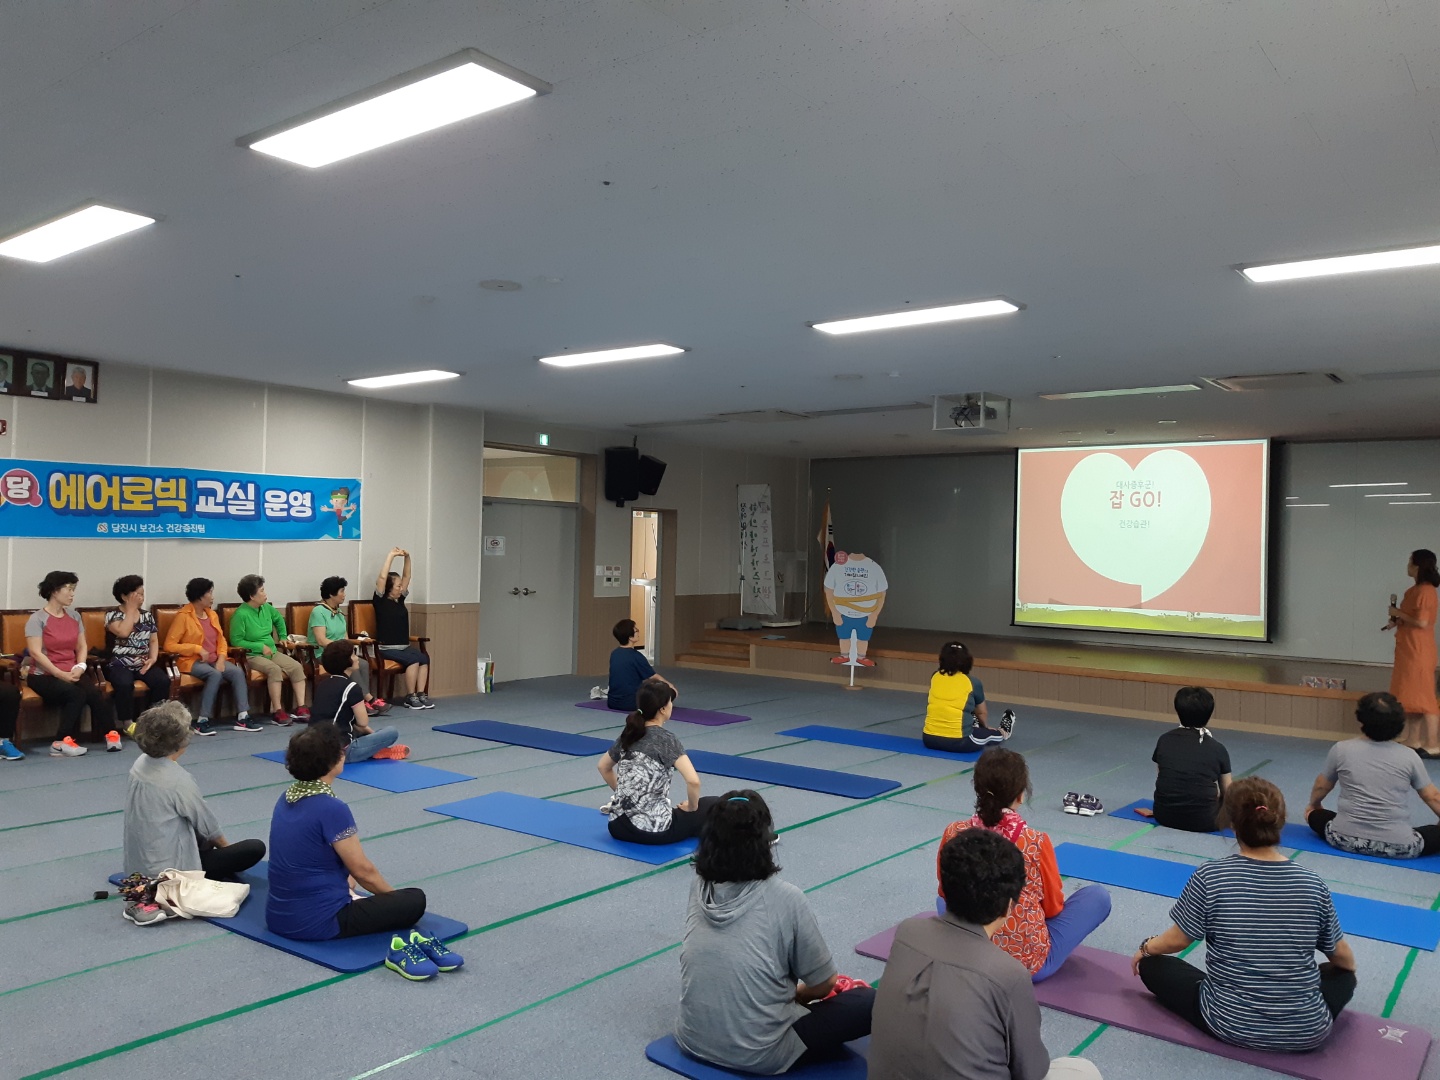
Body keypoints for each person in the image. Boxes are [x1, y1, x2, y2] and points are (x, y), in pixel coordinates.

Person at [1134, 777, 1357, 1052]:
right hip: (1308, 1030)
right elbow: (1341, 956)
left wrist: (1145, 949)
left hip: (1227, 1022)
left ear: (1230, 821)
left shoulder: (1211, 876)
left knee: (1153, 965)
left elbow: (1177, 941)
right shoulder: (1312, 882)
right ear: (1280, 820)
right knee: (1342, 975)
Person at [869, 829, 1103, 1080]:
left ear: (945, 890)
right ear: (1009, 905)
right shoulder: (1008, 973)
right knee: (1083, 1071)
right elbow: (1032, 1070)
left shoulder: (907, 932)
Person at [677, 790, 874, 1074]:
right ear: (765, 841)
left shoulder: (699, 885)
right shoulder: (786, 897)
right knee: (870, 1003)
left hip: (691, 1039)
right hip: (760, 1055)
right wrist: (798, 997)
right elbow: (824, 984)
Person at [266, 724, 461, 980]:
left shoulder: (287, 797)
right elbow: (364, 871)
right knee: (415, 900)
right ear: (334, 760)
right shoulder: (331, 807)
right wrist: (395, 902)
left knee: (349, 877)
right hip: (318, 923)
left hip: (277, 916)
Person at [939, 748, 1110, 980]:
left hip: (968, 950)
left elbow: (945, 892)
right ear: (1020, 795)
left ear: (978, 789)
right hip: (1026, 963)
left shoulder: (954, 832)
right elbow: (1053, 908)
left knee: (944, 900)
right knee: (1098, 897)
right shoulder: (1035, 842)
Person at [121, 701, 266, 923]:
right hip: (170, 870)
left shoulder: (140, 762)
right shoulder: (177, 780)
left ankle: (147, 890)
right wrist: (228, 852)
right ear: (181, 741)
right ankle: (157, 894)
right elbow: (208, 827)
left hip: (137, 864)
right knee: (254, 848)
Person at [1305, 691, 1440, 858]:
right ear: (1400, 722)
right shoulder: (1410, 756)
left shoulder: (1341, 749)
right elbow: (1432, 796)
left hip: (1343, 839)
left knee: (1313, 815)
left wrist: (1314, 805)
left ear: (1361, 720)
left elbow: (1322, 785)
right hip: (1400, 847)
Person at [597, 678, 715, 844]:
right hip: (653, 830)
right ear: (662, 709)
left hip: (617, 826)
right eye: (670, 702)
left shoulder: (629, 733)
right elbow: (693, 781)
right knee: (712, 805)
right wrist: (692, 808)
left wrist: (626, 795)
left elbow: (603, 766)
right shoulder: (666, 739)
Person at [25, 570, 118, 756]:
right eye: (68, 589)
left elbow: (82, 646)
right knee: (76, 694)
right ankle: (60, 742)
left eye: (73, 589)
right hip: (43, 675)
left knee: (94, 692)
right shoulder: (37, 619)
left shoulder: (74, 616)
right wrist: (61, 674)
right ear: (54, 591)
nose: (72, 594)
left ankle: (111, 734)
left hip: (72, 671)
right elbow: (36, 652)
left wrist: (80, 666)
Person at [163, 577, 259, 734]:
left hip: (215, 659)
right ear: (200, 596)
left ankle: (243, 716)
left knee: (236, 672)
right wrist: (196, 649)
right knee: (214, 675)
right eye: (210, 593)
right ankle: (202, 720)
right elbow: (170, 645)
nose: (212, 597)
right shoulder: (183, 616)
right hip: (191, 661)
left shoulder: (212, 615)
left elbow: (222, 640)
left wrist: (222, 658)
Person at [1134, 686, 1231, 832]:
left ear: (1178, 710)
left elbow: (1163, 776)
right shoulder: (1218, 748)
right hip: (1206, 822)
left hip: (1164, 815)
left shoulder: (1164, 740)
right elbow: (1228, 793)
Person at [231, 574, 308, 726]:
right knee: (274, 670)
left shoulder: (266, 608)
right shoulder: (240, 615)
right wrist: (259, 646)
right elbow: (236, 641)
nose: (265, 594)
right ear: (252, 596)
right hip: (251, 656)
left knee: (296, 666)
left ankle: (301, 707)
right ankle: (277, 711)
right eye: (262, 591)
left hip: (271, 651)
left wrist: (283, 636)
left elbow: (279, 620)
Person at [314, 641, 406, 762]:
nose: (357, 658)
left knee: (353, 728)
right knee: (391, 732)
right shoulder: (352, 687)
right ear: (345, 662)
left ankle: (374, 749)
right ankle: (375, 750)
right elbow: (362, 723)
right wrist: (374, 736)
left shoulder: (322, 684)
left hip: (315, 747)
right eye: (353, 655)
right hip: (340, 753)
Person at [307, 576, 387, 715]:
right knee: (350, 663)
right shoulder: (318, 612)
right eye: (342, 591)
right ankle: (367, 700)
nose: (344, 594)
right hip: (323, 655)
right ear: (332, 594)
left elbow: (344, 637)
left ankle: (361, 701)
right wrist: (342, 650)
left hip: (340, 653)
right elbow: (321, 640)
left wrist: (348, 648)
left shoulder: (338, 612)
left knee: (362, 664)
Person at [1388, 549, 1440, 757]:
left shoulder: (1426, 591)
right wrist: (1398, 621)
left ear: (1417, 565)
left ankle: (1433, 743)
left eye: (1410, 562)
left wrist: (1397, 613)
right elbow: (1412, 618)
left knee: (1425, 698)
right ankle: (1414, 738)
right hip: (1408, 649)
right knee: (1411, 696)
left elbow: (1423, 622)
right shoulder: (1414, 590)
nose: (1408, 565)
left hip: (1419, 651)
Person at [105, 575, 171, 738]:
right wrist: (131, 609)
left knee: (162, 680)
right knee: (124, 684)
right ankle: (127, 723)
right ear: (124, 596)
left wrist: (152, 658)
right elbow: (123, 632)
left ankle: (151, 720)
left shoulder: (147, 616)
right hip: (119, 663)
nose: (141, 598)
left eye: (142, 594)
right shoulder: (112, 615)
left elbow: (154, 640)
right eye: (137, 595)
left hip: (142, 661)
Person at [922, 640, 1014, 753]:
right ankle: (1003, 731)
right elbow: (981, 712)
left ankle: (971, 721)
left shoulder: (934, 677)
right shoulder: (973, 682)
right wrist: (984, 728)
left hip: (929, 739)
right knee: (991, 735)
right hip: (960, 742)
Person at [372, 548, 432, 710]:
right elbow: (382, 577)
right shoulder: (380, 601)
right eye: (397, 586)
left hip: (404, 647)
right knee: (413, 661)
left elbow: (407, 576)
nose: (401, 588)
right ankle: (410, 696)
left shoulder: (400, 600)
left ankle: (421, 694)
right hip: (386, 648)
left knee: (424, 659)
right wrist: (391, 555)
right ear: (389, 588)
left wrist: (407, 557)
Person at [822, 550, 887, 665]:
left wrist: (874, 615)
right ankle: (844, 655)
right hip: (843, 612)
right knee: (843, 636)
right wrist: (835, 613)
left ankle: (861, 657)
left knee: (863, 637)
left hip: (866, 613)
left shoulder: (874, 567)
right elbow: (829, 590)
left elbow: (882, 593)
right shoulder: (837, 566)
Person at [606, 618, 672, 712]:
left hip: (612, 702)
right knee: (667, 691)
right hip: (632, 704)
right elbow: (653, 677)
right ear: (630, 637)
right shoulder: (636, 656)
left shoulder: (614, 653)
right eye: (636, 631)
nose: (638, 633)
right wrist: (671, 687)